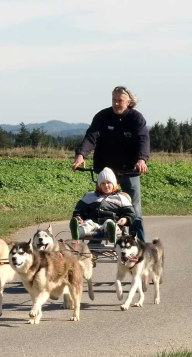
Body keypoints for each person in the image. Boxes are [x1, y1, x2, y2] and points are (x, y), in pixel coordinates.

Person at [72, 85, 150, 241]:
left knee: (134, 210)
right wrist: (81, 155)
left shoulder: (136, 118)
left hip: (129, 170)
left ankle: (141, 245)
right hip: (105, 171)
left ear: (128, 102)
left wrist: (142, 159)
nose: (116, 103)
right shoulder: (102, 116)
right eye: (114, 100)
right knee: (98, 204)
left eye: (119, 100)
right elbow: (91, 137)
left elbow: (143, 139)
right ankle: (98, 234)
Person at [70, 167, 136, 242]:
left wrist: (126, 219)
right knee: (87, 223)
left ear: (114, 184)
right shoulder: (90, 197)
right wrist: (78, 217)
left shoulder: (120, 198)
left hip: (113, 223)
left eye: (108, 183)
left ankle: (111, 233)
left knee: (109, 223)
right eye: (103, 183)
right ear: (99, 185)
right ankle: (78, 232)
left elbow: (131, 213)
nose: (106, 185)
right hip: (93, 223)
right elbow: (79, 210)